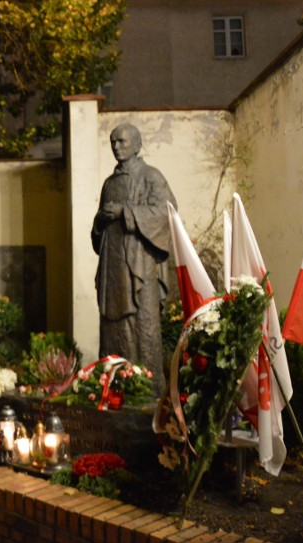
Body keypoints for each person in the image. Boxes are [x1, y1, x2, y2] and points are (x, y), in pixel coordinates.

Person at [91, 123, 176, 393]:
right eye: (113, 142)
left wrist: (125, 212)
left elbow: (167, 212)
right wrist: (100, 221)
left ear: (137, 145)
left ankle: (147, 390)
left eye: (122, 141)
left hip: (140, 267)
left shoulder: (151, 176)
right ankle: (113, 387)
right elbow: (98, 232)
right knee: (113, 328)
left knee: (143, 327)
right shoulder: (109, 184)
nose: (116, 146)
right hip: (112, 269)